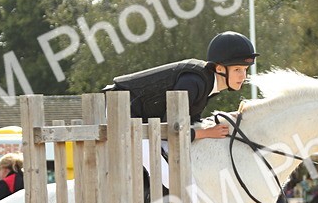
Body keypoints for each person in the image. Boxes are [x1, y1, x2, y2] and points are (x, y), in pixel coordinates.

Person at [104, 31, 256, 142]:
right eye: (237, 70)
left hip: (135, 121)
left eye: (245, 70)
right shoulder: (194, 82)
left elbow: (191, 121)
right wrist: (208, 133)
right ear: (219, 68)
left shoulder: (209, 85)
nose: (243, 76)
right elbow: (173, 130)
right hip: (119, 111)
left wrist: (227, 118)